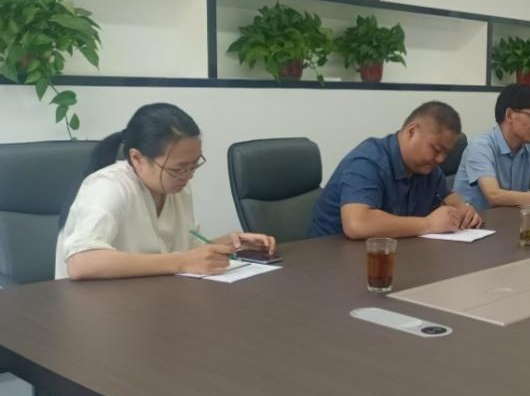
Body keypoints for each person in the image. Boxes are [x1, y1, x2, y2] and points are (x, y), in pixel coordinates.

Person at [56, 103, 276, 280]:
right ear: (137, 158)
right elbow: (81, 263)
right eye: (178, 168)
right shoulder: (109, 187)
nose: (188, 176)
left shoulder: (177, 188)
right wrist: (182, 261)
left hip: (151, 298)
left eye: (194, 165)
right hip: (95, 306)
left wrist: (229, 243)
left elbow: (185, 251)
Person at [309, 101, 482, 239]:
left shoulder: (428, 168)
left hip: (392, 255)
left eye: (446, 153)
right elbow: (357, 224)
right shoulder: (368, 161)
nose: (440, 159)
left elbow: (449, 197)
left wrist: (464, 210)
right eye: (436, 149)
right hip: (329, 261)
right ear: (412, 131)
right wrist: (428, 224)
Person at [453, 84, 530, 210]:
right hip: (475, 220)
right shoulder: (480, 146)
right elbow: (494, 196)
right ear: (509, 115)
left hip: (509, 218)